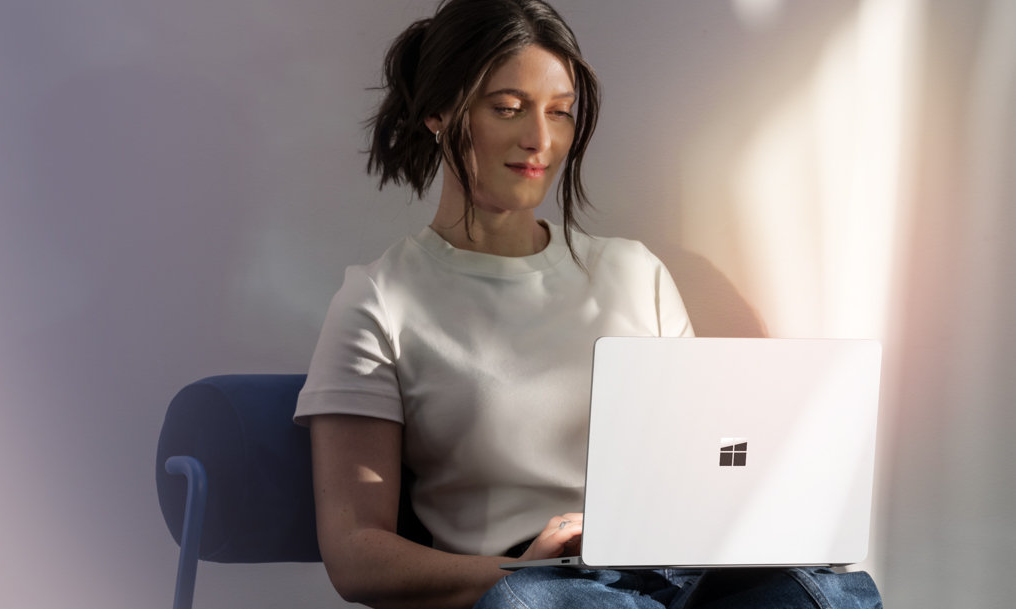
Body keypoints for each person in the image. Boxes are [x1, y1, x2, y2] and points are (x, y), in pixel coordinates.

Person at [294, 1, 883, 608]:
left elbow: (697, 469)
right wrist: (512, 572)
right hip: (533, 587)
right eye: (508, 109)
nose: (540, 140)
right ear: (440, 114)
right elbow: (355, 551)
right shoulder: (379, 301)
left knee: (821, 594)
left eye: (560, 113)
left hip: (669, 577)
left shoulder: (633, 273)